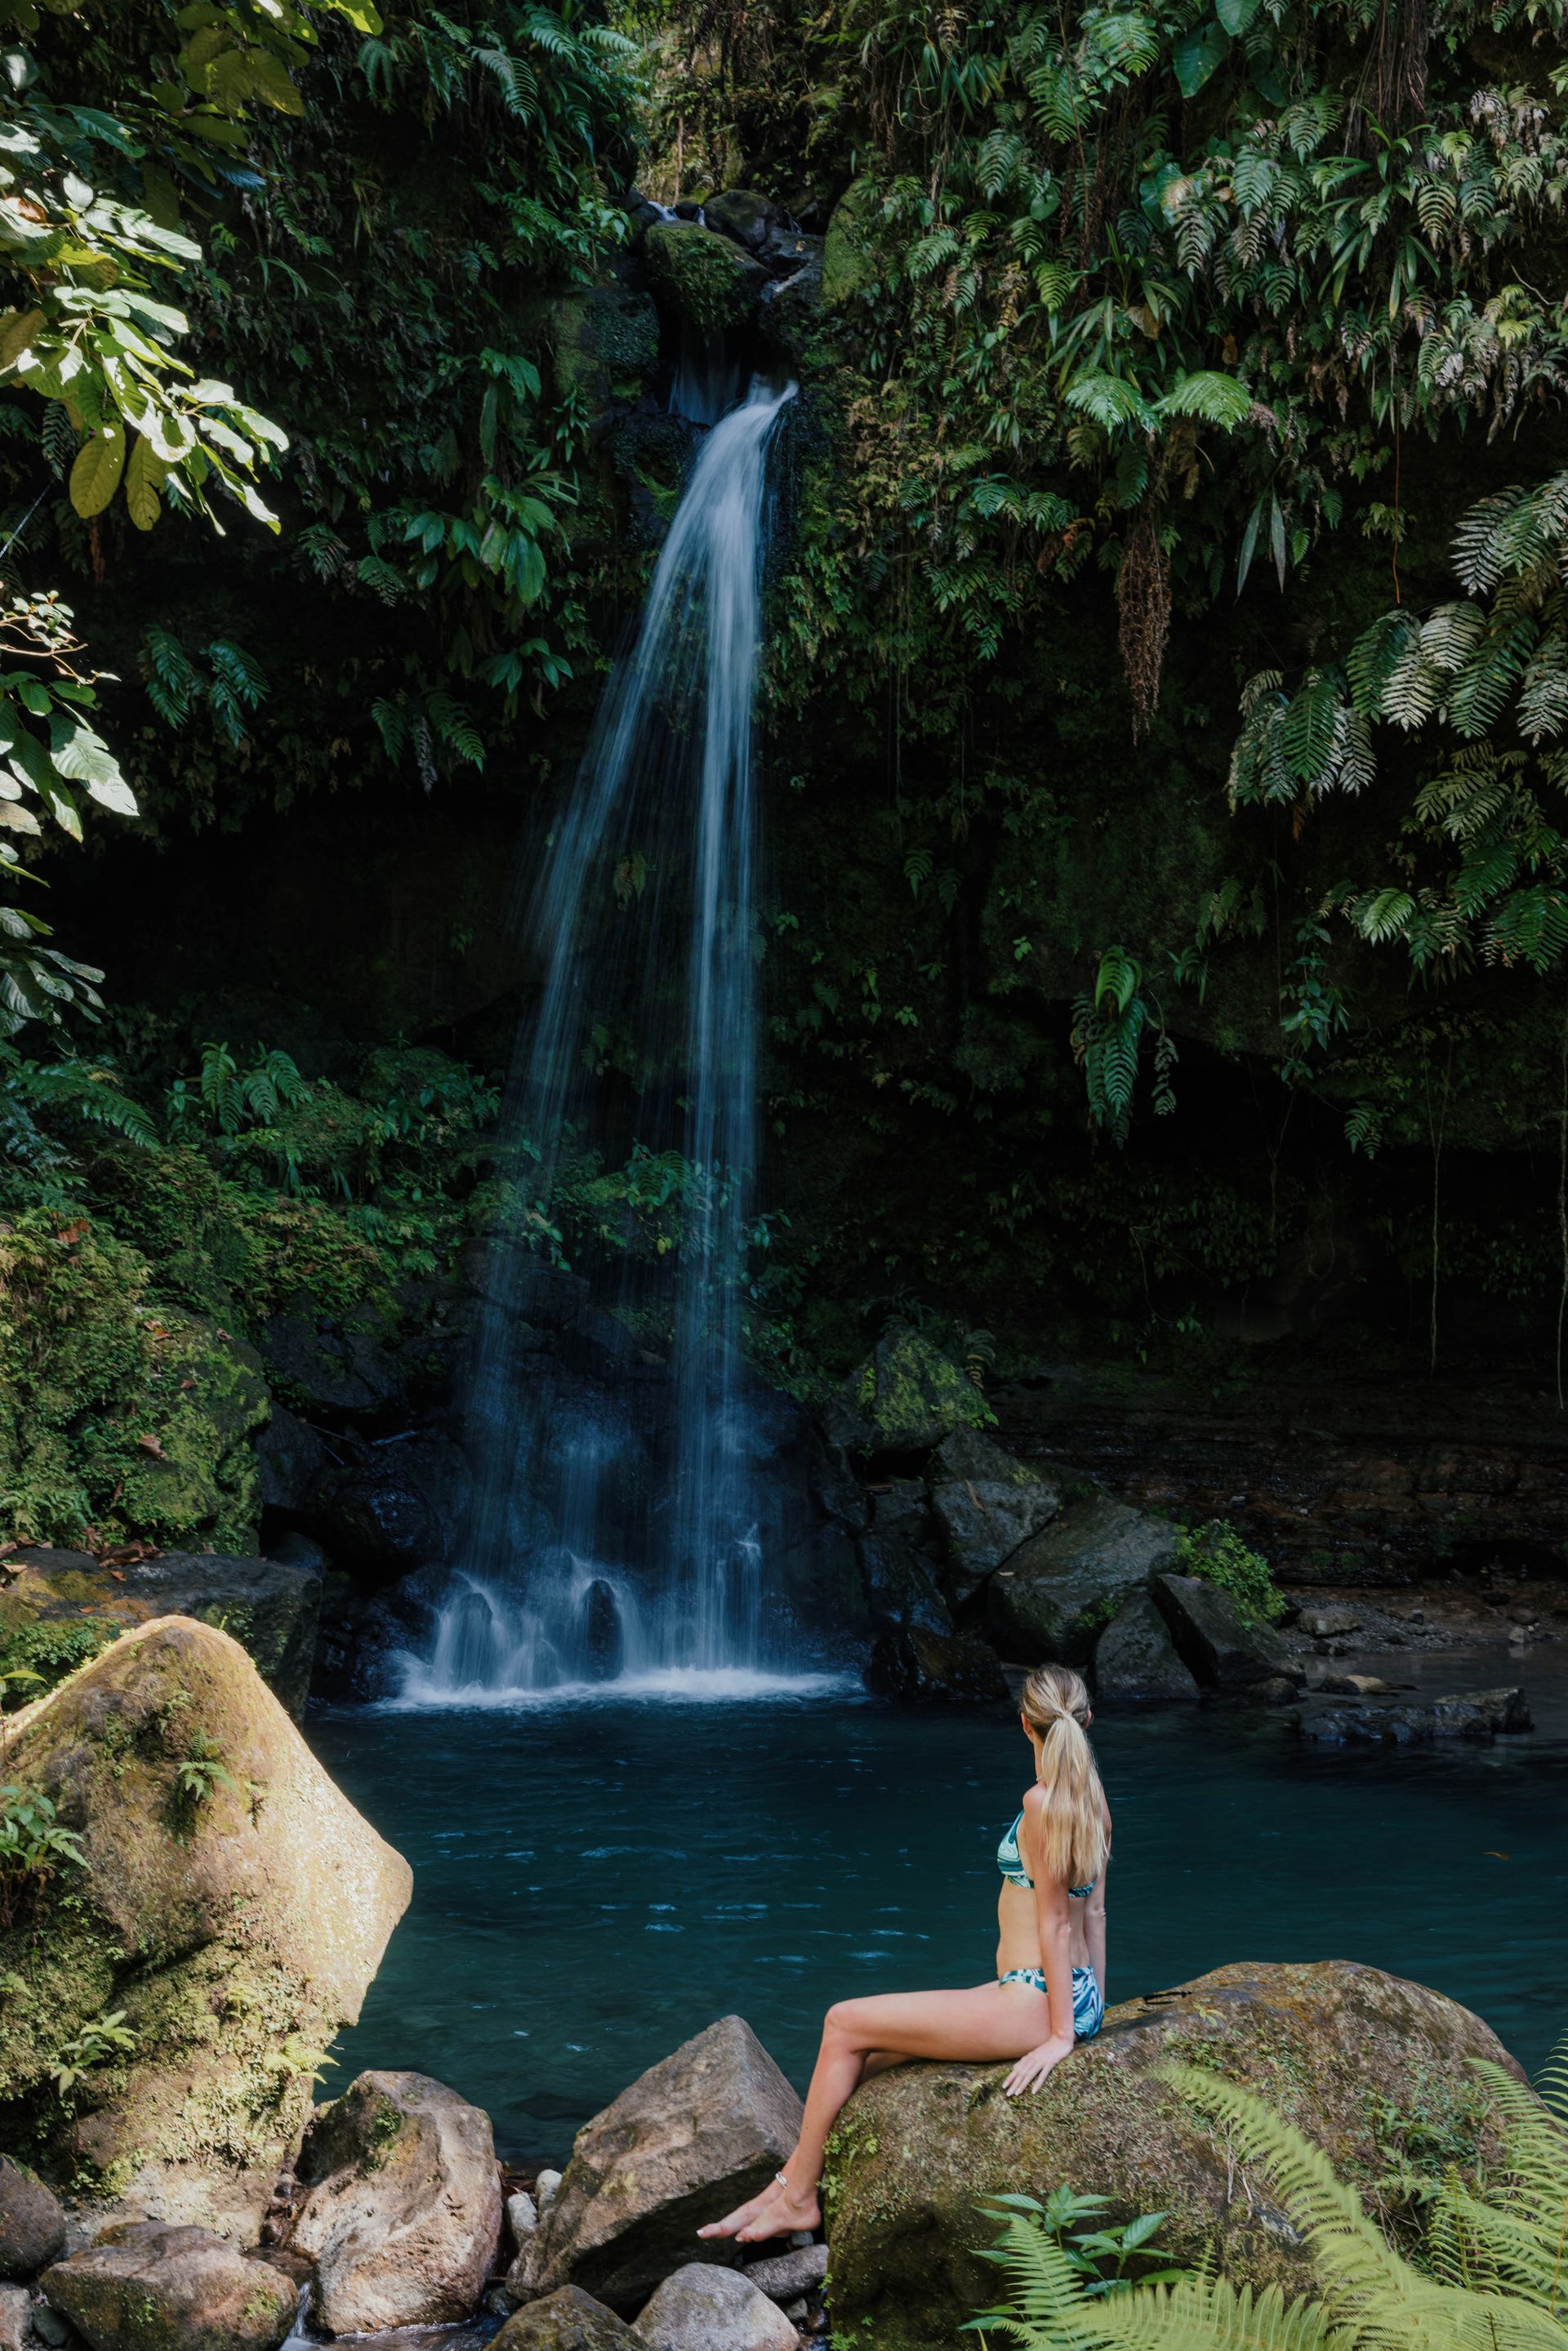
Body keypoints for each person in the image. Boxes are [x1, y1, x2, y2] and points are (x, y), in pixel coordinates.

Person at [697, 1661, 1111, 2246]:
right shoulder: (1092, 1799)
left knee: (842, 2022)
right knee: (874, 2054)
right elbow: (1093, 1913)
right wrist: (1092, 2009)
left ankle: (797, 2200)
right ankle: (789, 2181)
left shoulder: (1041, 1801)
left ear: (1025, 1724)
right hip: (1071, 1991)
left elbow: (1055, 1923)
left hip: (1034, 1997)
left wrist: (1061, 2036)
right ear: (1086, 1719)